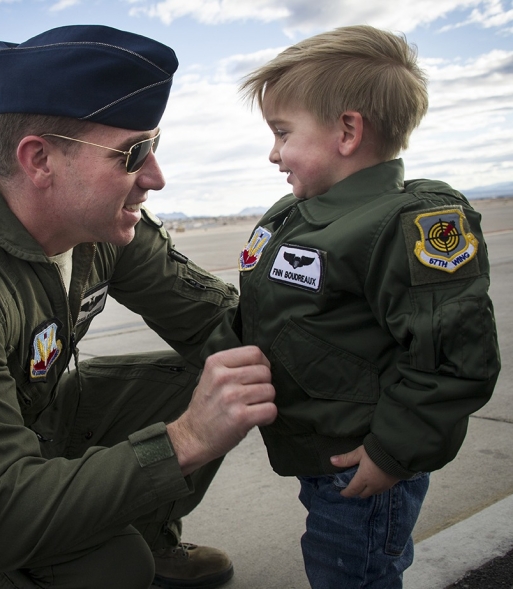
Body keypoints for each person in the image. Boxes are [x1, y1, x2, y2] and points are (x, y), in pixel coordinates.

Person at [0, 25, 277, 589]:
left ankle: (147, 534)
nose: (155, 178)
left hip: (34, 420)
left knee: (227, 369)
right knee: (105, 568)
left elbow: (221, 326)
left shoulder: (100, 227)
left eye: (155, 147)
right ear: (40, 159)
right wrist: (186, 439)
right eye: (133, 153)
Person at [235, 25, 500, 588]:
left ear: (348, 131)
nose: (273, 153)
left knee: (352, 575)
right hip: (320, 452)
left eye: (283, 133)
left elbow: (451, 359)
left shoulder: (410, 224)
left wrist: (391, 453)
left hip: (364, 465)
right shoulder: (294, 214)